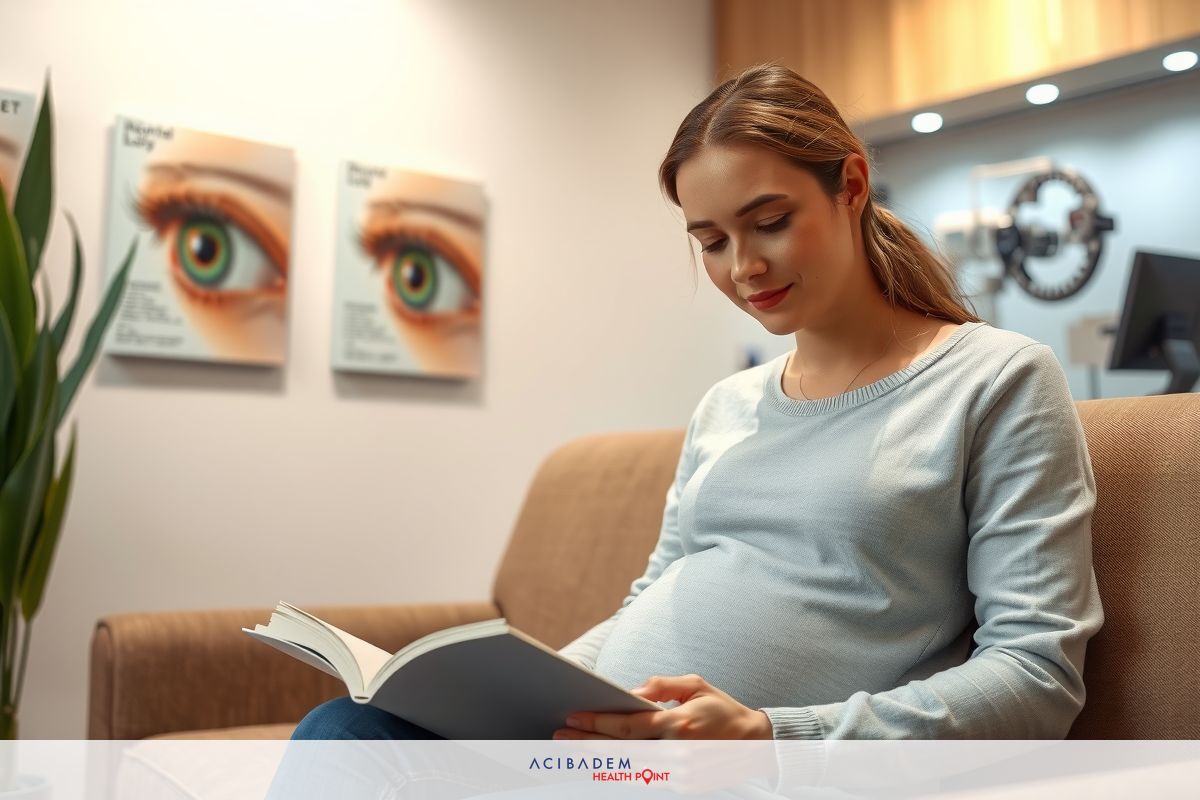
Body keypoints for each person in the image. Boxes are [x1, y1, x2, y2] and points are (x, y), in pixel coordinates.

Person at [268, 62, 1102, 795]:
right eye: (710, 241)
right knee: (347, 728)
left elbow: (1036, 676)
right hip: (599, 754)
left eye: (768, 221)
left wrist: (773, 740)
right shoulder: (727, 405)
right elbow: (655, 596)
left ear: (850, 185)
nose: (743, 268)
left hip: (744, 774)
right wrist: (524, 689)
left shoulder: (995, 380)